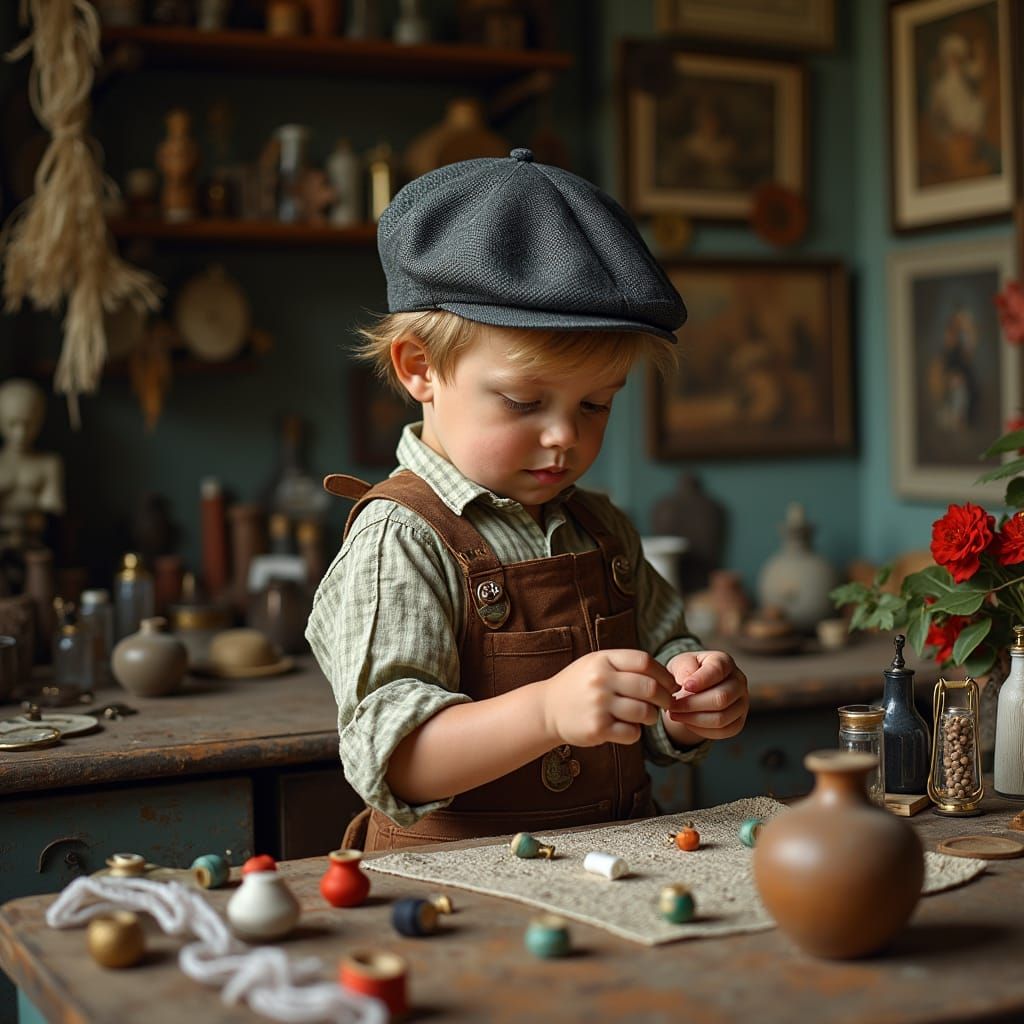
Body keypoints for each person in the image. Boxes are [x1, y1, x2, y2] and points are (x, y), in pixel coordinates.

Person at [306, 148, 749, 852]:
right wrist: (547, 710)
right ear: (421, 368)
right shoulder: (402, 539)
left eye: (597, 404)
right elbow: (394, 761)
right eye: (523, 401)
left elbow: (663, 658)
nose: (564, 437)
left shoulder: (599, 528)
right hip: (459, 891)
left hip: (610, 867)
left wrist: (689, 702)